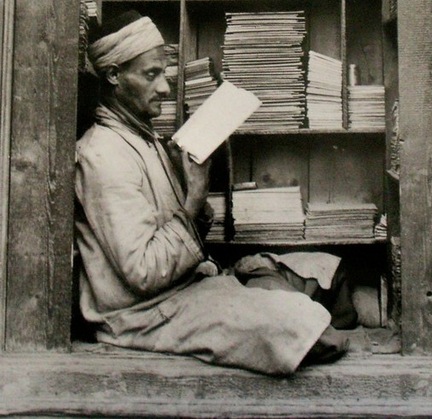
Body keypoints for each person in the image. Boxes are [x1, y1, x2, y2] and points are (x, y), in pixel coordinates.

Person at [74, 10, 350, 375]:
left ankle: (273, 299)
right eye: (151, 74)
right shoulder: (102, 154)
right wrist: (194, 197)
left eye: (165, 73)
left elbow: (176, 240)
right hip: (145, 315)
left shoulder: (141, 136)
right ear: (113, 75)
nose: (165, 88)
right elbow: (143, 272)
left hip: (187, 288)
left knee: (322, 273)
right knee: (313, 333)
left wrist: (184, 184)